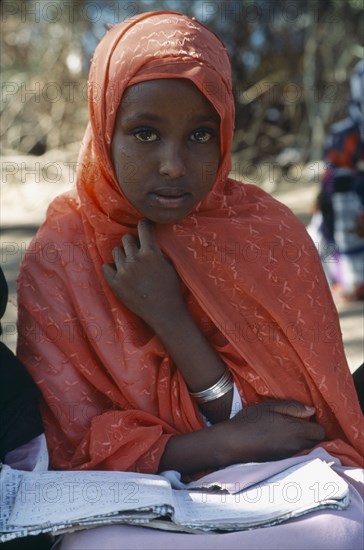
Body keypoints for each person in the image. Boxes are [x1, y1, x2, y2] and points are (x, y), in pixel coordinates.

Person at [16, 11, 363, 549]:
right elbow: (74, 446)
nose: (174, 164)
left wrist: (170, 317)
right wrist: (219, 445)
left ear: (225, 130)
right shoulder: (61, 258)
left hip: (280, 483)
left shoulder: (265, 236)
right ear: (105, 124)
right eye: (145, 133)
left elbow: (293, 426)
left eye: (201, 134)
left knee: (338, 532)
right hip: (128, 504)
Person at [307, 60, 364, 301]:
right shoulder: (344, 135)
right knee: (342, 186)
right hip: (345, 220)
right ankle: (353, 275)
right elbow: (331, 185)